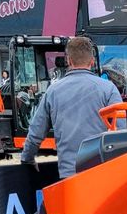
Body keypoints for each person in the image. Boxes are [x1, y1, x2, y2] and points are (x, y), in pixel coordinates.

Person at [21, 36, 121, 179]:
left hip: (69, 175)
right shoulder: (108, 89)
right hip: (102, 173)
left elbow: (36, 132)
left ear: (68, 60)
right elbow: (121, 131)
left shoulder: (53, 91)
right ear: (92, 62)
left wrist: (27, 158)